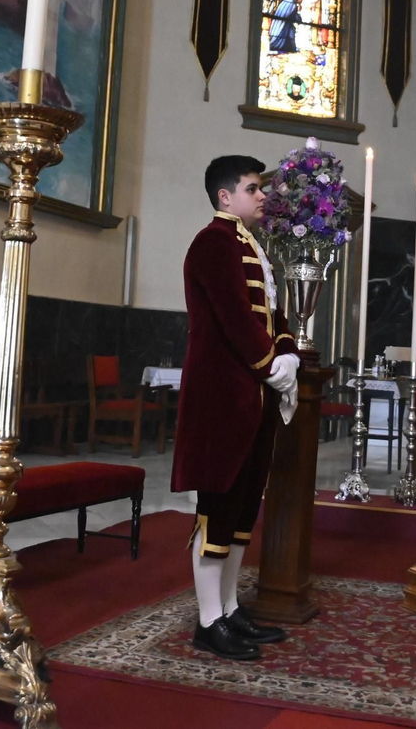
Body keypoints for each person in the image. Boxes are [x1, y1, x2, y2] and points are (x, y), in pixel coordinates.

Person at [171, 155, 299, 660]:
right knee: (218, 509)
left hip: (252, 395)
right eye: (252, 188)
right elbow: (233, 316)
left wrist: (287, 351)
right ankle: (209, 622)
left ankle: (228, 608)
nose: (262, 195)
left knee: (243, 509)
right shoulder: (213, 243)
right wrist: (270, 363)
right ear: (225, 197)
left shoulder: (250, 245)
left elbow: (273, 314)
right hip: (221, 396)